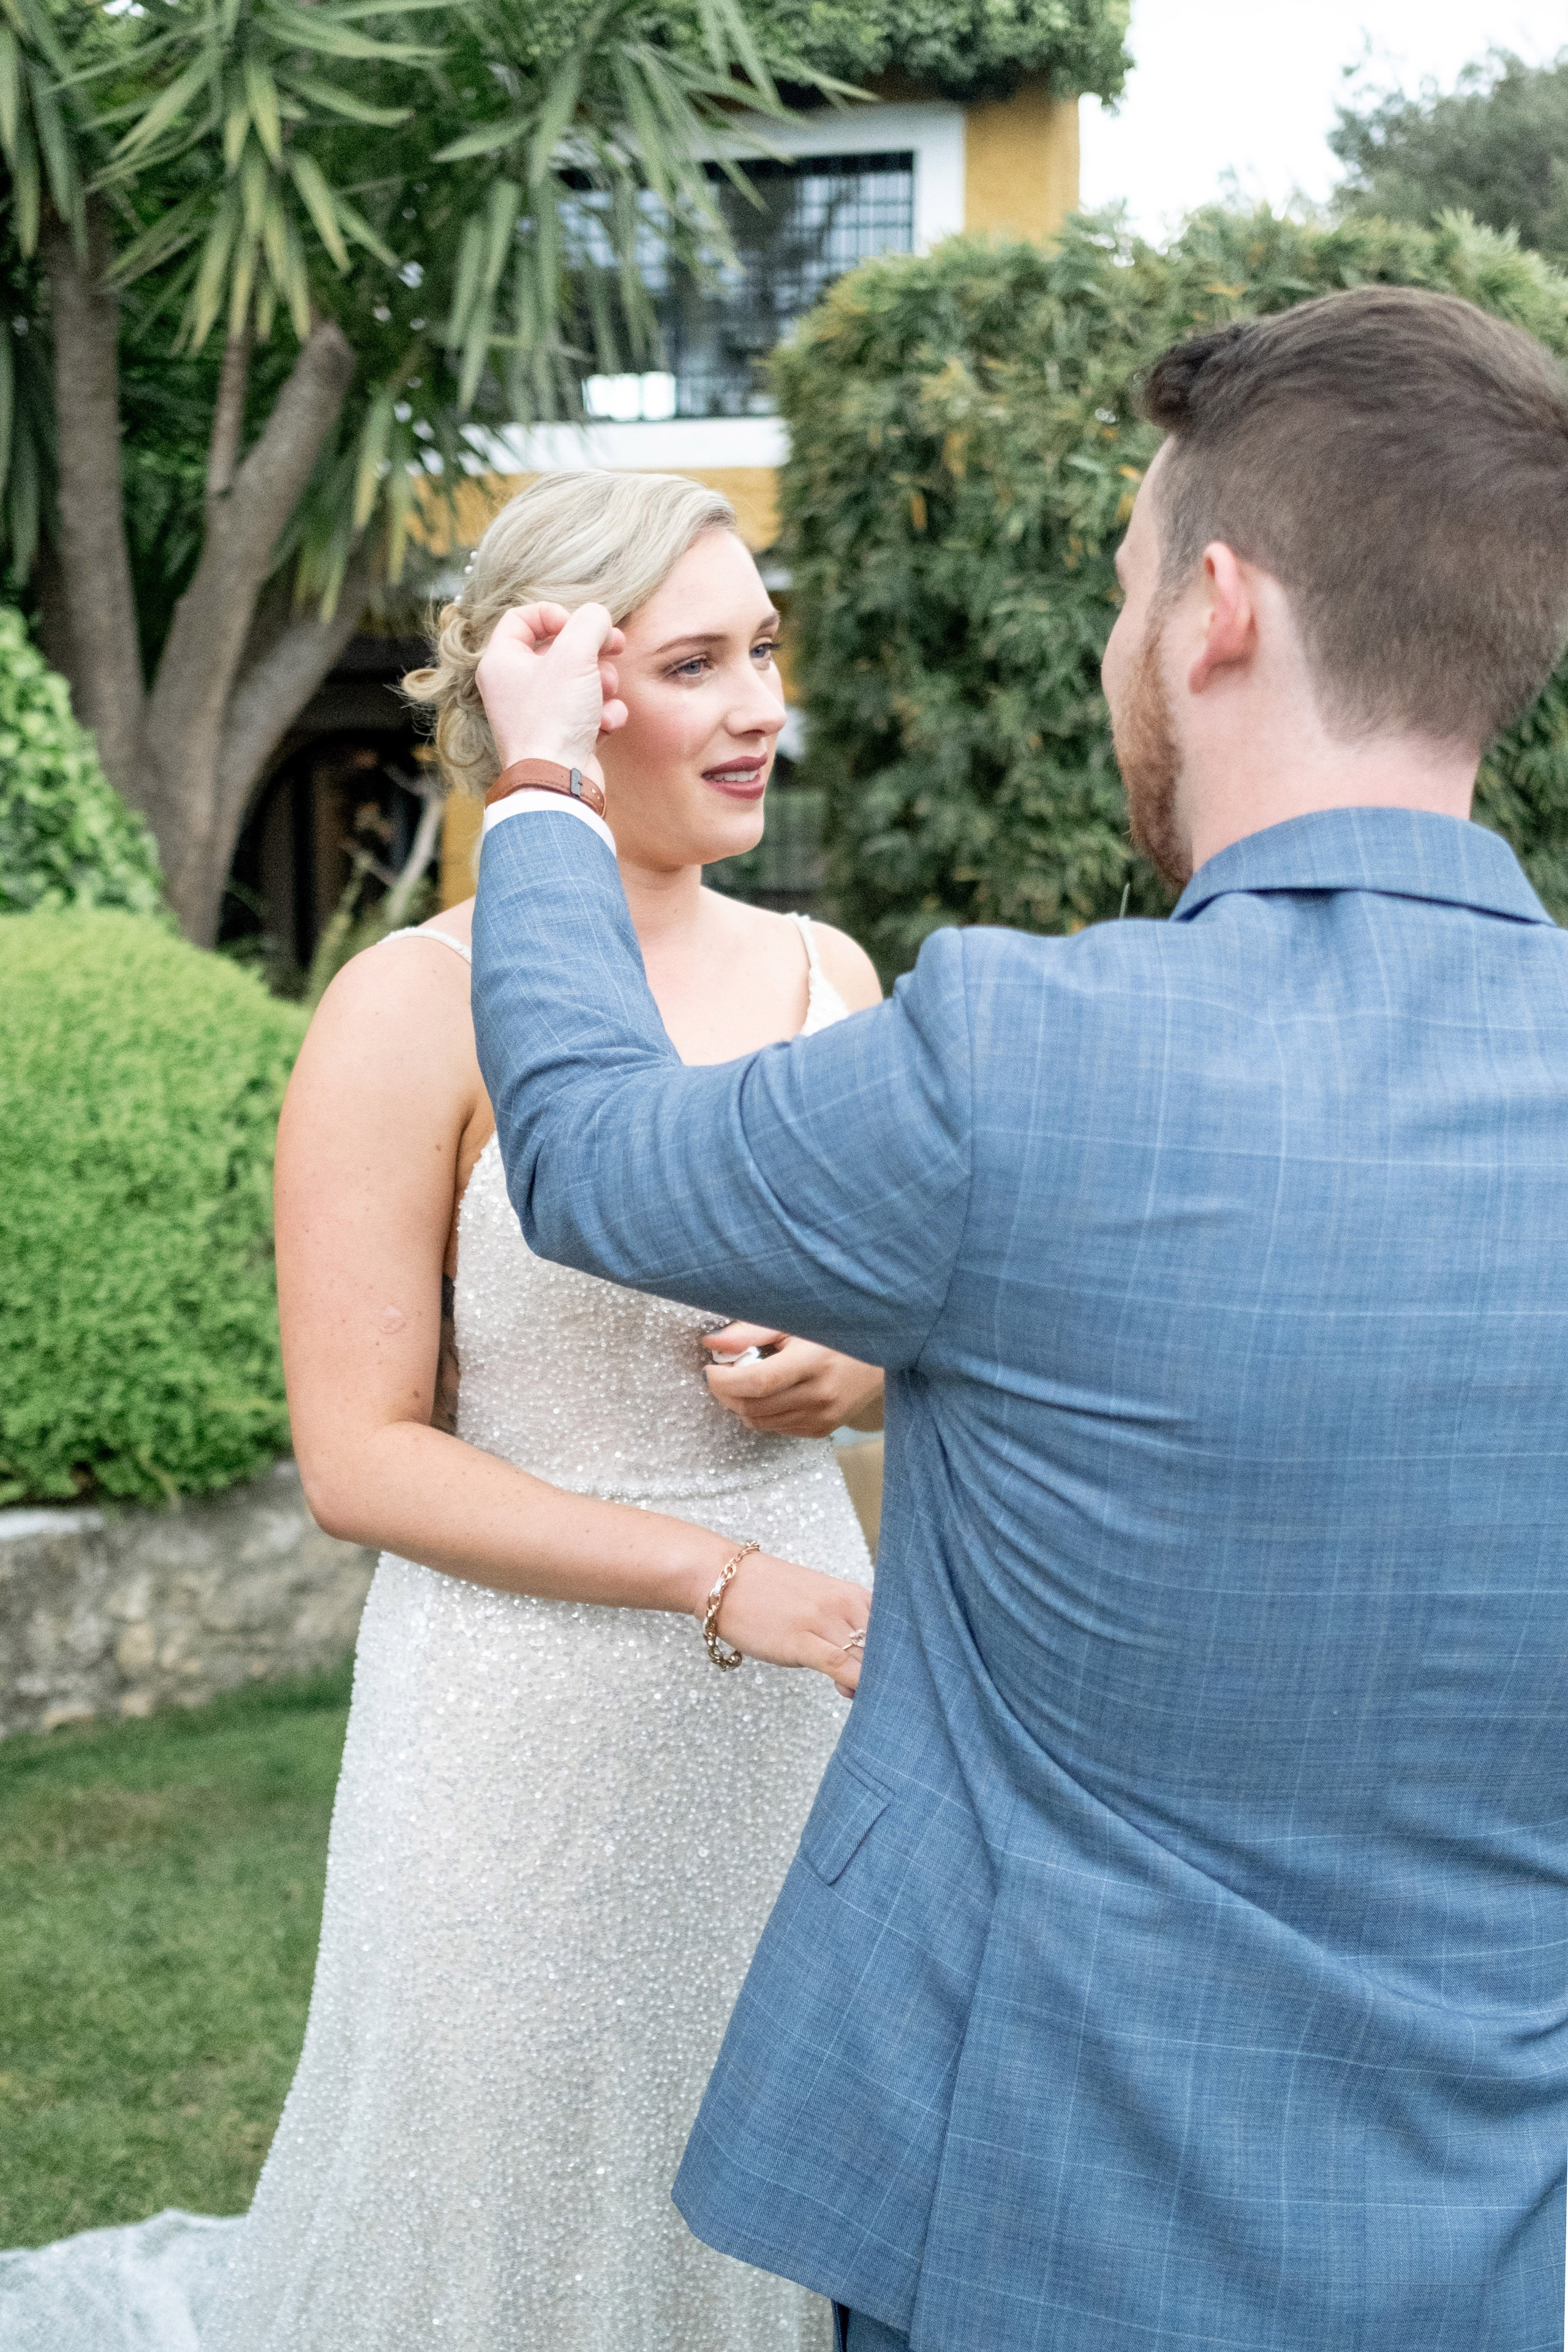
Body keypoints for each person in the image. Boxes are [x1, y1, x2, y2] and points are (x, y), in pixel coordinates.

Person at [463, 287, 1568, 2351]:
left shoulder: (1020, 1064)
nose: (1112, 644)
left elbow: (600, 1159)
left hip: (1031, 2218)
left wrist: (537, 793)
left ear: (1218, 610)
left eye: (1129, 583)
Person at [0, 472, 880, 2352]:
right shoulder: (411, 1006)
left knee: (779, 2184)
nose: (759, 708)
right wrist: (727, 1579)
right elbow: (359, 1454)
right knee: (501, 2196)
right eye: (700, 661)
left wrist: (849, 1369)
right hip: (523, 1723)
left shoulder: (832, 979)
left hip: (807, 1694)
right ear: (558, 693)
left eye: (767, 652)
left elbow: (892, 1328)